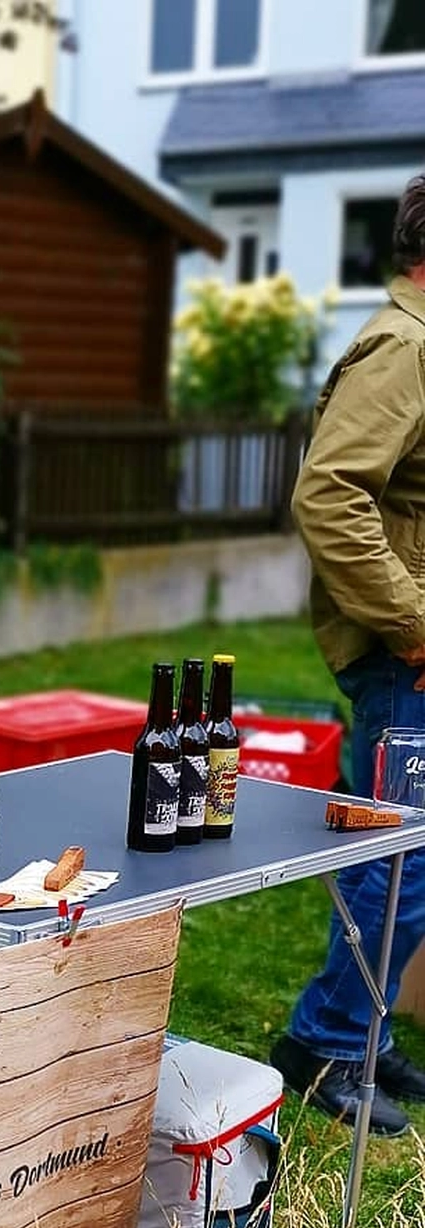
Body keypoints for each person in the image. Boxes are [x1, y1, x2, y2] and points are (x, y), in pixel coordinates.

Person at [271, 171, 425, 1136]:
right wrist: (414, 623)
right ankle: (328, 1043)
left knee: (397, 851)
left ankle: (350, 1032)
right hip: (403, 656)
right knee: (398, 860)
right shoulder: (404, 350)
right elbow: (329, 494)